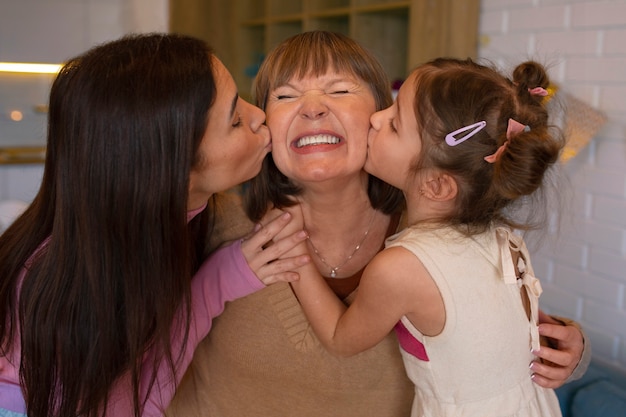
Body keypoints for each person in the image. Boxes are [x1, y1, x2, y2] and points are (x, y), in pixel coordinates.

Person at [167, 31, 590, 417]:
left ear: (378, 113)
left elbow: (489, 325)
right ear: (263, 125)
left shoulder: (445, 236)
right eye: (284, 96)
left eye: (339, 90)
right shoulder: (216, 219)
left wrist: (567, 347)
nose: (312, 107)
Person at [0, 33, 310, 417]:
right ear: (173, 172)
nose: (258, 114)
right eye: (233, 120)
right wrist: (221, 280)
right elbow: (137, 402)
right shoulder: (67, 300)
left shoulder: (151, 221)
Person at [285, 58, 565, 416]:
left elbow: (341, 338)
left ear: (436, 184)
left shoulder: (400, 268)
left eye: (395, 124)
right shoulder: (505, 240)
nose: (375, 118)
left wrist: (295, 245)